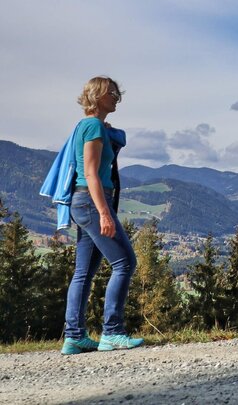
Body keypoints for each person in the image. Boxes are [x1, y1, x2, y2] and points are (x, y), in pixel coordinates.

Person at [60, 76, 143, 354]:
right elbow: (92, 174)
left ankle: (74, 337)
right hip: (92, 201)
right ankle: (112, 332)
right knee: (125, 263)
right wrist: (105, 214)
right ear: (96, 95)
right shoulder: (92, 126)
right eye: (111, 92)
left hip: (84, 202)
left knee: (84, 272)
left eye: (118, 92)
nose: (116, 96)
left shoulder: (89, 126)